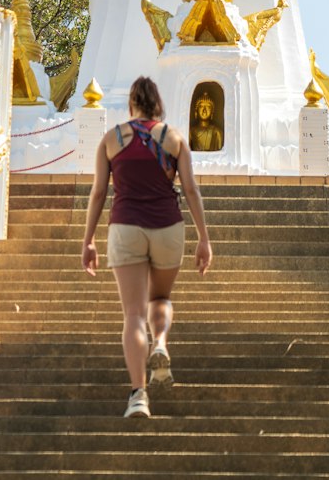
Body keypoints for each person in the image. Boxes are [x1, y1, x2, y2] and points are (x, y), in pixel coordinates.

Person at [81, 75, 213, 419]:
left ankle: (138, 395)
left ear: (131, 104)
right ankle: (162, 344)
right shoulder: (174, 139)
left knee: (133, 315)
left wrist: (89, 240)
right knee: (161, 300)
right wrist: (204, 238)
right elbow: (191, 190)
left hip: (125, 227)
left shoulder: (111, 139)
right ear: (158, 104)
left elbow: (98, 193)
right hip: (168, 227)